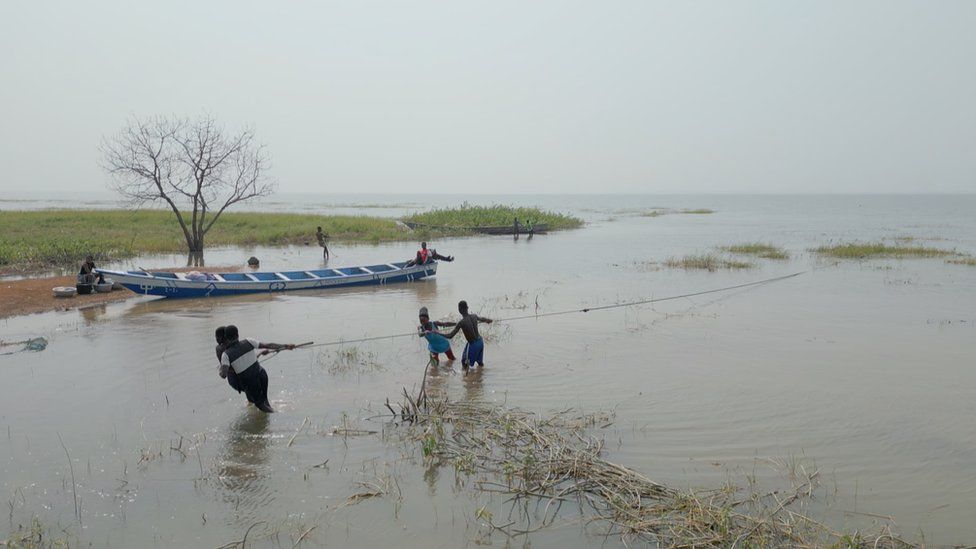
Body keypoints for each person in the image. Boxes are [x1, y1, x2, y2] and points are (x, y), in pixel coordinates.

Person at [218, 325, 296, 413]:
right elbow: (269, 345)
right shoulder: (249, 341)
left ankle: (277, 415)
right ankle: (271, 413)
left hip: (251, 383)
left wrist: (221, 368)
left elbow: (223, 374)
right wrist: (286, 346)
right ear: (238, 334)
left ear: (226, 337)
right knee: (265, 400)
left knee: (260, 405)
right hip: (262, 374)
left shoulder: (226, 355)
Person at [434, 300, 493, 369]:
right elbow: (482, 319)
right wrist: (488, 320)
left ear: (459, 309)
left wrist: (438, 333)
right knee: (480, 363)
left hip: (473, 344)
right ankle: (481, 376)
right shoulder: (474, 316)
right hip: (480, 342)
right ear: (467, 308)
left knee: (464, 363)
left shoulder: (461, 322)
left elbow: (450, 336)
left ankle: (467, 379)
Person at [215, 326, 244, 396]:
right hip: (243, 373)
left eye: (217, 337)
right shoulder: (237, 345)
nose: (216, 339)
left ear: (222, 337)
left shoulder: (219, 348)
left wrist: (220, 370)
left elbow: (223, 367)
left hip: (233, 378)